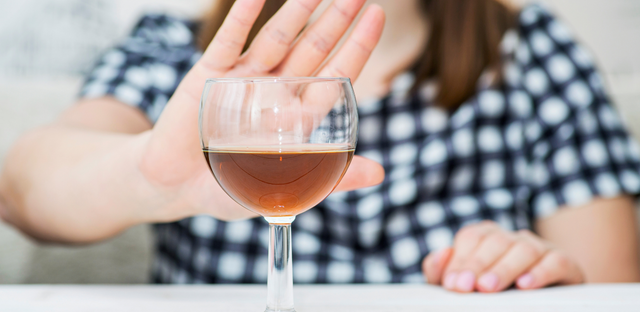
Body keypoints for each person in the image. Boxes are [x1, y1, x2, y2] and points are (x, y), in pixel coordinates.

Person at [1, 0, 639, 293]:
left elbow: (614, 288)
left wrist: (543, 275)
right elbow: (22, 188)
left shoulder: (531, 55)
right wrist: (145, 176)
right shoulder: (179, 49)